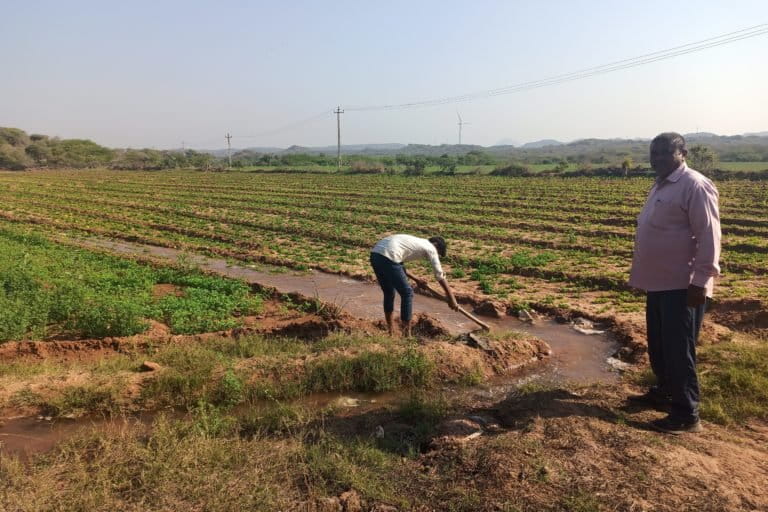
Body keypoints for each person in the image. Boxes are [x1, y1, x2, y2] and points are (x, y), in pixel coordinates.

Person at [628, 132, 721, 434]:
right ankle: (665, 393)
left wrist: (700, 281)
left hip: (682, 285)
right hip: (658, 282)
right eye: (654, 153)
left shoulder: (694, 185)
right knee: (659, 345)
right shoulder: (662, 183)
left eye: (665, 153)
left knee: (679, 350)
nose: (657, 159)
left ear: (683, 153)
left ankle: (686, 414)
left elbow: (709, 237)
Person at [370, 234, 459, 336]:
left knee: (389, 292)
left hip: (376, 255)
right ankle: (407, 335)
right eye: (438, 253)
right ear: (436, 245)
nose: (436, 255)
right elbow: (440, 276)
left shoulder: (415, 241)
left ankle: (391, 331)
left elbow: (399, 265)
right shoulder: (431, 248)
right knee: (407, 293)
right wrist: (452, 299)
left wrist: (416, 280)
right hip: (389, 257)